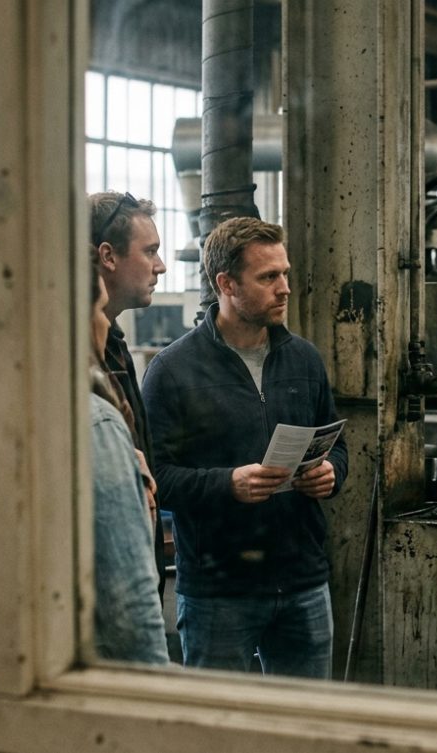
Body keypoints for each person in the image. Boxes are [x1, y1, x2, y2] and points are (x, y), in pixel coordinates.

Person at [0, 273, 169, 663]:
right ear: (67, 322)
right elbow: (127, 601)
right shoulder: (92, 422)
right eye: (100, 310)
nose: (105, 324)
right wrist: (153, 683)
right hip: (73, 669)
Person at [142, 216, 349, 679]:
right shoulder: (172, 371)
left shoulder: (304, 359)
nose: (285, 288)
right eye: (268, 277)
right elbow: (156, 479)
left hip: (302, 582)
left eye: (285, 274)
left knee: (305, 718)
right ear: (226, 284)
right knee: (220, 719)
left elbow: (339, 448)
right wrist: (227, 485)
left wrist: (331, 473)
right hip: (219, 591)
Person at [89, 191, 166, 558]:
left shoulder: (115, 345)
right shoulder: (67, 360)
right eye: (150, 251)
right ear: (108, 256)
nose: (160, 266)